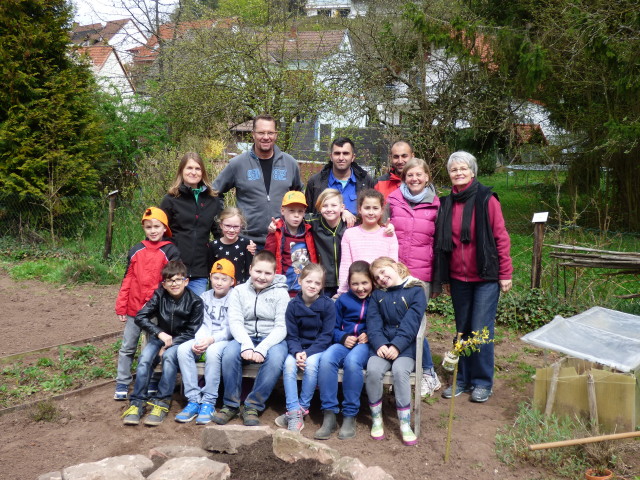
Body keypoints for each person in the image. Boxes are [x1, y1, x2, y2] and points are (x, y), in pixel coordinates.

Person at [434, 151, 513, 403]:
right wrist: (445, 278)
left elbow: (501, 237)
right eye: (453, 169)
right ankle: (462, 379)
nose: (458, 173)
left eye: (463, 169)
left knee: (480, 330)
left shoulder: (486, 199)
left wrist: (505, 272)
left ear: (472, 171)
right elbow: (443, 245)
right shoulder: (446, 203)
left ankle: (482, 381)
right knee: (462, 330)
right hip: (458, 279)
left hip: (485, 277)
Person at [211, 251, 290, 426]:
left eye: (268, 273)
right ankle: (230, 404)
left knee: (276, 358)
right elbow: (235, 321)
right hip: (244, 336)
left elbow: (281, 327)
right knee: (230, 354)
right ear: (250, 269)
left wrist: (262, 347)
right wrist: (246, 344)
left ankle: (253, 405)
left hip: (272, 338)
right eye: (258, 271)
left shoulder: (281, 294)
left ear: (274, 274)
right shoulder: (238, 291)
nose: (262, 277)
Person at [121, 261, 203, 426]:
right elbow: (140, 316)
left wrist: (169, 345)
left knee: (168, 358)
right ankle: (137, 402)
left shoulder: (195, 302)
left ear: (186, 281)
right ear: (164, 284)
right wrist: (159, 333)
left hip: (181, 341)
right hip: (160, 337)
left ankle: (162, 402)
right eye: (169, 281)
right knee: (144, 359)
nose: (174, 284)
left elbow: (191, 331)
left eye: (178, 280)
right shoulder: (159, 296)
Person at [387, 157, 441, 397]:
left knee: (415, 325)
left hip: (421, 274)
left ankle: (427, 372)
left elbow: (440, 242)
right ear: (403, 177)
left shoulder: (437, 205)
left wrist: (439, 278)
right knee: (395, 322)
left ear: (427, 177)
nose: (415, 179)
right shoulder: (392, 201)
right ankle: (397, 372)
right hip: (394, 273)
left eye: (419, 175)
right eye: (410, 175)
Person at [114, 207, 180, 401]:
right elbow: (127, 279)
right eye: (148, 227)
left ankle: (153, 379)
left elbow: (173, 281)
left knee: (154, 346)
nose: (152, 230)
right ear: (144, 228)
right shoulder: (136, 249)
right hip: (135, 309)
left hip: (157, 311)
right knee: (128, 346)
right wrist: (121, 305)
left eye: (156, 226)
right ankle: (122, 381)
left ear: (164, 228)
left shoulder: (170, 250)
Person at [212, 114, 303, 248]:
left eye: (270, 132)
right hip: (246, 242)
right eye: (261, 132)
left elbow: (300, 198)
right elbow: (214, 193)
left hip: (282, 240)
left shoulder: (290, 163)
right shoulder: (237, 164)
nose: (266, 137)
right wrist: (224, 224)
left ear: (276, 135)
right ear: (253, 134)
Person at [365, 257, 427, 446]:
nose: (382, 278)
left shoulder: (415, 290)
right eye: (377, 277)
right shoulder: (378, 296)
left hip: (406, 347)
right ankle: (376, 418)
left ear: (394, 266)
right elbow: (373, 322)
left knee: (401, 371)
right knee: (373, 370)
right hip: (382, 346)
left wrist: (397, 346)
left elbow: (412, 322)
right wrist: (380, 344)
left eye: (384, 272)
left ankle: (405, 423)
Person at [315, 261, 374, 441]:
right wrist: (342, 336)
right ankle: (329, 414)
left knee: (352, 362)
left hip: (366, 345)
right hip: (344, 342)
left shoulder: (378, 299)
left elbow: (383, 324)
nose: (360, 288)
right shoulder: (343, 300)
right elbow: (330, 327)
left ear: (372, 281)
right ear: (348, 283)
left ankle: (349, 414)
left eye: (364, 283)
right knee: (326, 359)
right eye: (355, 283)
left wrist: (369, 334)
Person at [175, 259, 236, 425]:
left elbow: (232, 327)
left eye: (224, 279)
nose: (219, 282)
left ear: (232, 281)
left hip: (223, 340)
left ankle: (209, 401)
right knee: (182, 350)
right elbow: (200, 322)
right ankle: (194, 400)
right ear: (210, 277)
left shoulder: (235, 297)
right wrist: (200, 340)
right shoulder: (204, 297)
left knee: (213, 351)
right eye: (216, 278)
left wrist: (211, 340)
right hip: (204, 337)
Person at [276, 264, 335, 432]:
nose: (312, 286)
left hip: (317, 349)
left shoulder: (328, 305)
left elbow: (326, 335)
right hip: (297, 348)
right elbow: (292, 335)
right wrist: (297, 352)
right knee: (288, 365)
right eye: (309, 281)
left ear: (322, 286)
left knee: (310, 365)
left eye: (317, 283)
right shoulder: (293, 305)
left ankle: (302, 407)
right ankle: (293, 409)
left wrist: (307, 353)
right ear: (300, 281)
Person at [160, 152, 223, 295]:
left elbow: (219, 233)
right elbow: (160, 232)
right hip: (174, 267)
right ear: (182, 171)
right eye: (189, 168)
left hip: (200, 269)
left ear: (203, 172)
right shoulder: (170, 199)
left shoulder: (213, 200)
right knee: (173, 312)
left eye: (197, 168)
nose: (193, 172)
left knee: (196, 311)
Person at [336, 189, 398, 295]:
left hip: (382, 290)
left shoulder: (389, 234)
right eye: (367, 208)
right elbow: (346, 265)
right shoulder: (349, 234)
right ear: (360, 209)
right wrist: (342, 291)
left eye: (375, 208)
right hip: (358, 290)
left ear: (382, 210)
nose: (371, 212)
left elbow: (393, 265)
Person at [304, 137, 375, 227]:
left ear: (353, 157)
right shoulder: (316, 182)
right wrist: (340, 213)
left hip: (357, 238)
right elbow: (307, 216)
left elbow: (372, 212)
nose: (341, 158)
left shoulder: (366, 181)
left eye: (345, 153)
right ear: (331, 157)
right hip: (323, 239)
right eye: (337, 153)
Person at [264, 191, 318, 296]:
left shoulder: (309, 231)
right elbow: (268, 256)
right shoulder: (277, 232)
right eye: (291, 211)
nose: (296, 215)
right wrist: (271, 234)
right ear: (283, 211)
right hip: (283, 288)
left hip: (305, 289)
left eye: (300, 211)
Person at [305, 189, 347, 297]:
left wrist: (388, 227)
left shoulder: (349, 222)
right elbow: (294, 214)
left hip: (345, 282)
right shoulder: (313, 221)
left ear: (342, 207)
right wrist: (277, 223)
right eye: (324, 206)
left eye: (334, 205)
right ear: (319, 208)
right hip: (323, 282)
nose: (329, 209)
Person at [208, 207, 256, 284]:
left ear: (241, 226)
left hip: (240, 289)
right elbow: (210, 271)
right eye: (227, 226)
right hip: (220, 289)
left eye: (236, 227)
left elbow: (249, 271)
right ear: (220, 225)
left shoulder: (246, 244)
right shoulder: (213, 246)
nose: (231, 230)